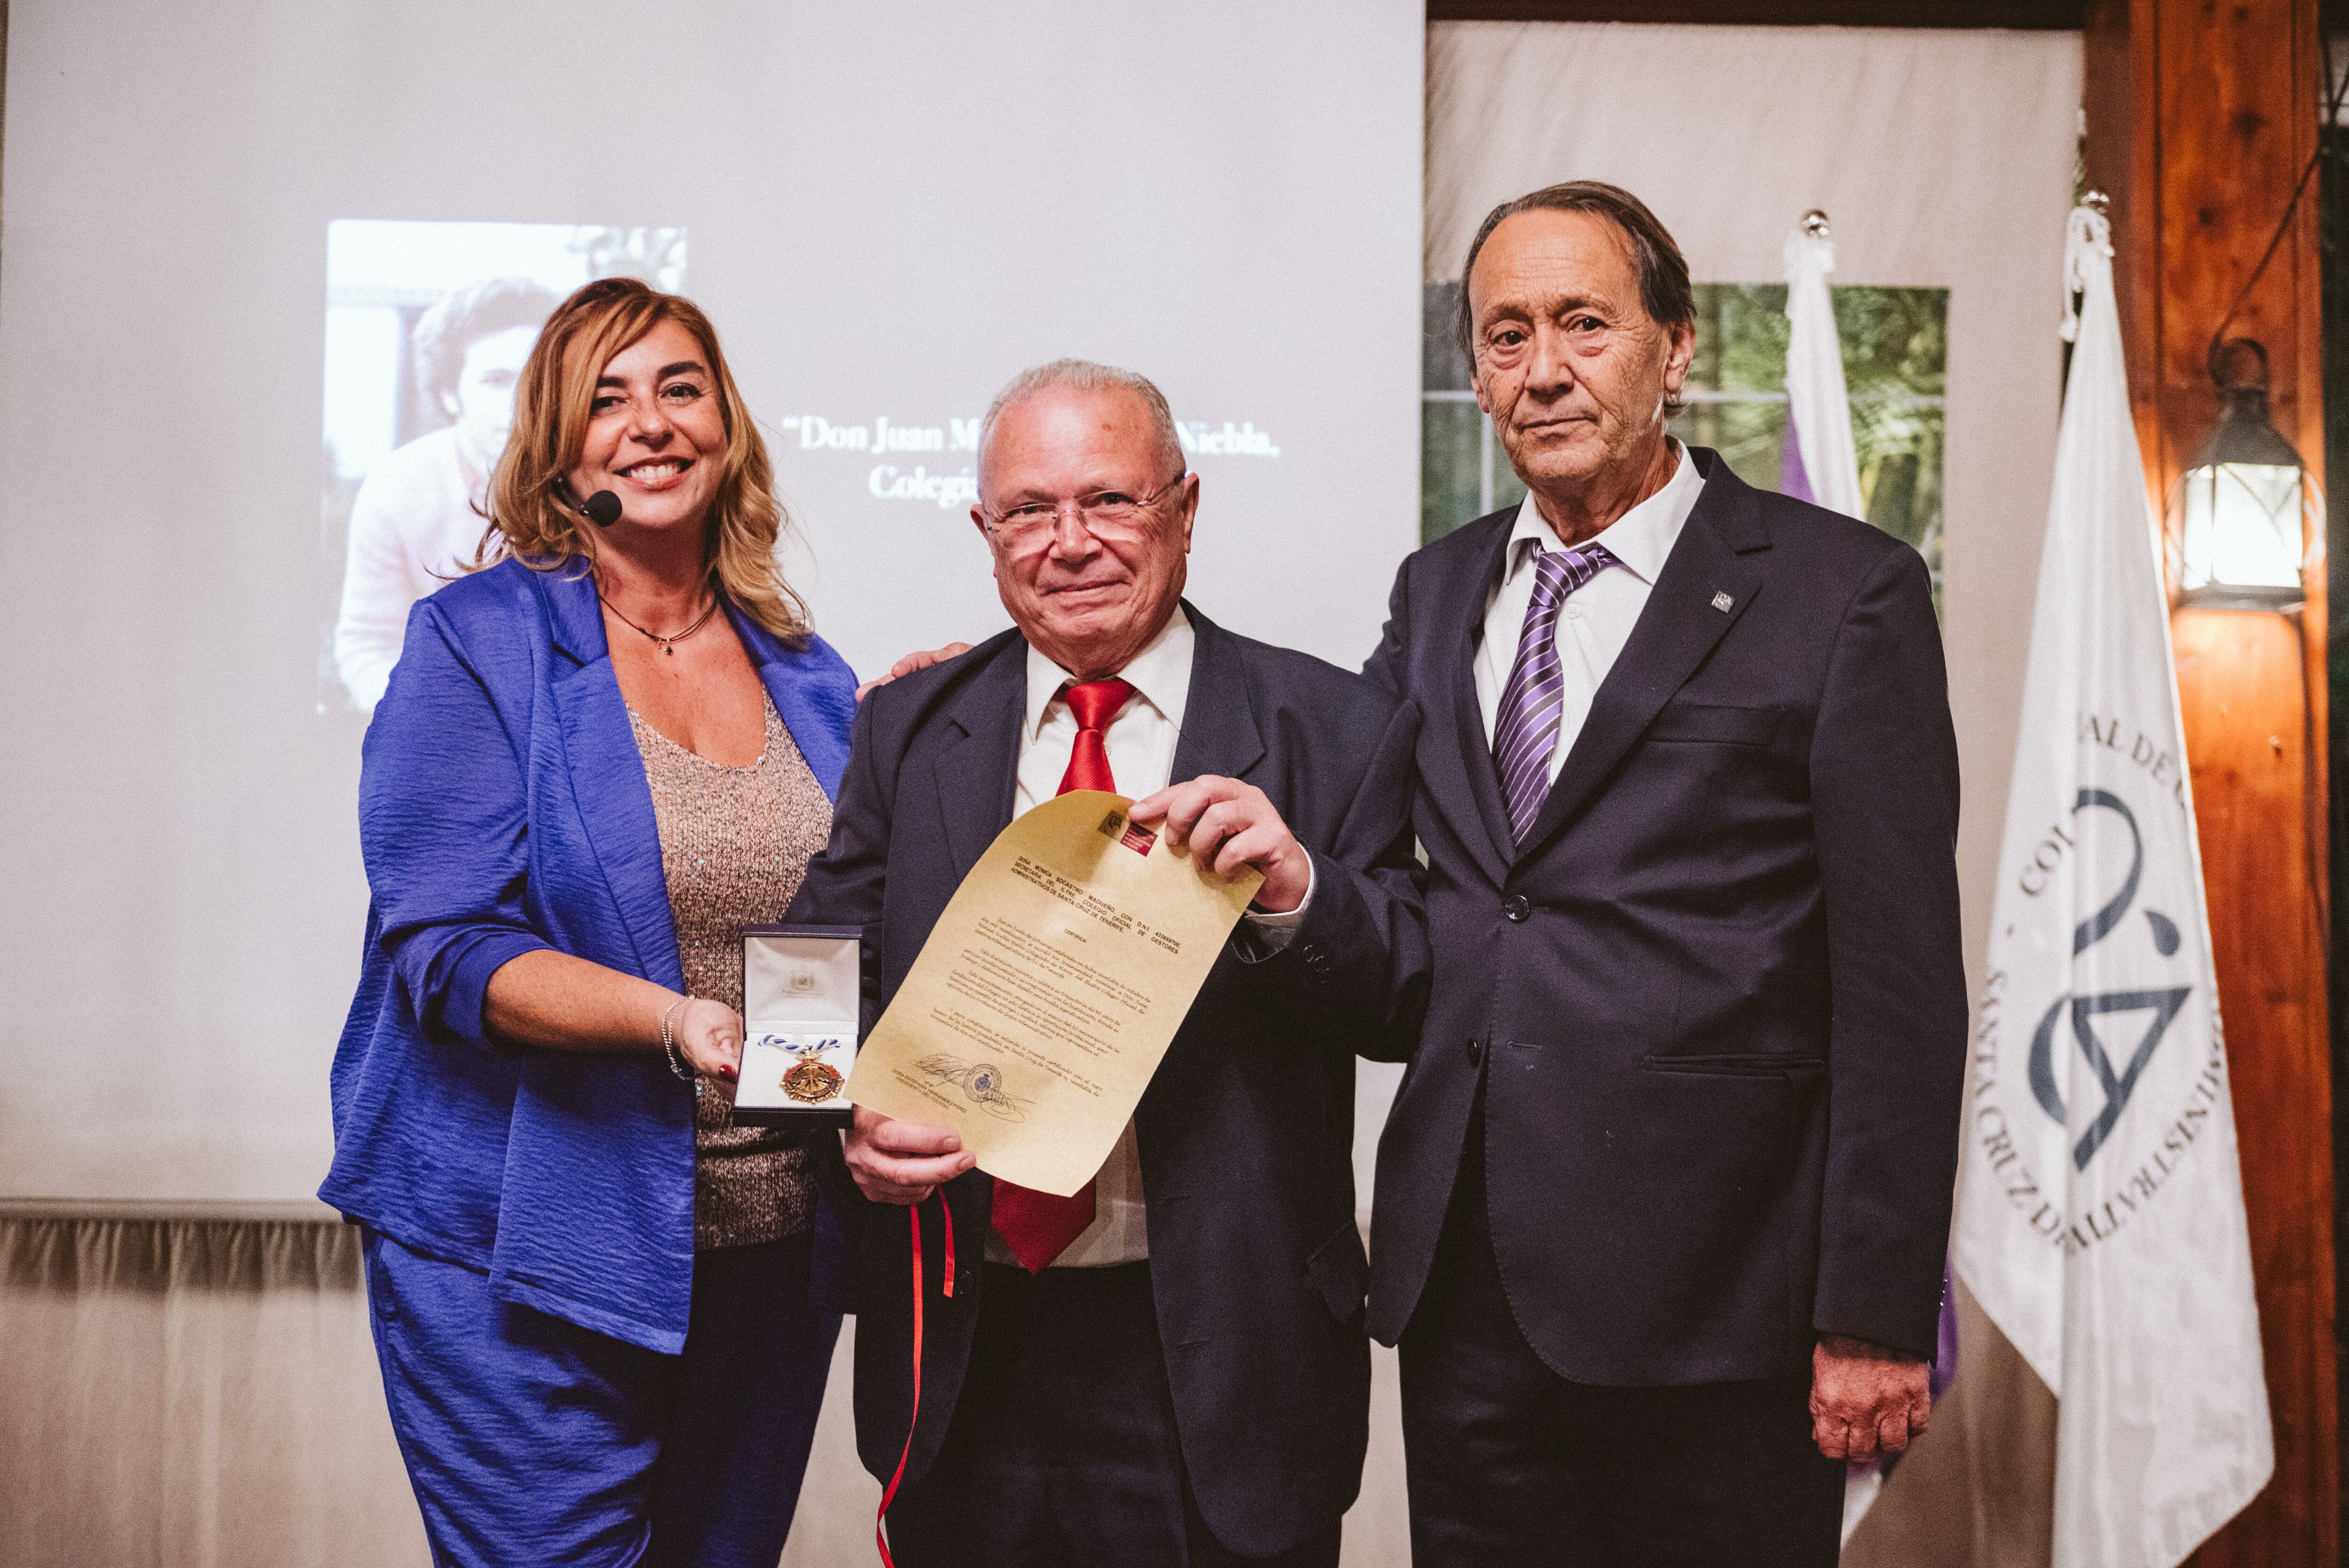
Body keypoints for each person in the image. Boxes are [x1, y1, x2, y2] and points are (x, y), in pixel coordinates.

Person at [1363, 182, 1966, 1564]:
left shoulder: (1839, 592)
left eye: (1584, 322)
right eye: (1503, 336)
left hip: (1721, 1303)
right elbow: (1330, 806)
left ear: (1675, 347)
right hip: (1466, 1293)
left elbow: (1897, 985)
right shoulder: (1439, 587)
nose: (1543, 368)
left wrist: (1872, 1308)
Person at [791, 359, 1428, 1568]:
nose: (1068, 541)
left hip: (1227, 1353)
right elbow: (806, 977)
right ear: (985, 531)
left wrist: (1297, 892)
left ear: (1184, 510)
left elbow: (1408, 998)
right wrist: (839, 1116)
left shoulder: (1333, 724)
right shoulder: (910, 721)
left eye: (1111, 501)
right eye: (1028, 510)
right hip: (966, 1334)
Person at [319, 277, 859, 1568]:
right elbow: (444, 951)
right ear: (558, 444)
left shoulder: (811, 670)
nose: (651, 422)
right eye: (607, 399)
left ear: (725, 425)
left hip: (768, 1259)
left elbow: (828, 940)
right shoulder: (477, 642)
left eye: (681, 388)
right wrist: (673, 1021)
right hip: (524, 1248)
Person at [332, 277, 559, 710]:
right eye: (495, 381)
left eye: (538, 377)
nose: (522, 402)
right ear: (450, 395)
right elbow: (369, 645)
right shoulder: (396, 490)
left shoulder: (608, 479)